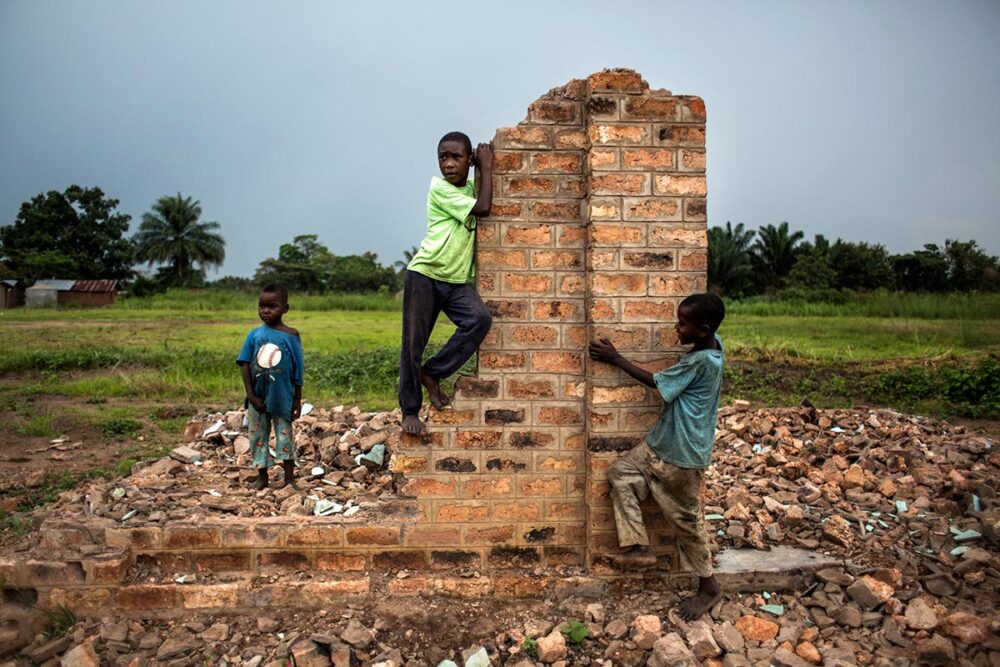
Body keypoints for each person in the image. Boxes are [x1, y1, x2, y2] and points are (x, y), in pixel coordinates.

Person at [588, 293, 726, 620]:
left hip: (682, 455)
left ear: (703, 330)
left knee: (686, 521)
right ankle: (638, 545)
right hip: (659, 445)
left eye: (683, 324)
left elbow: (656, 383)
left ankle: (709, 587)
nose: (676, 328)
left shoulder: (700, 362)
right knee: (620, 474)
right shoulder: (713, 345)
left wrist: (615, 357)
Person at [399, 131, 494, 435]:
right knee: (413, 344)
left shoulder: (469, 186)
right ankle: (410, 410)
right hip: (425, 274)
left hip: (455, 282)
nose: (449, 163)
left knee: (479, 319)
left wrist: (481, 169)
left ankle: (433, 372)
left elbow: (478, 193)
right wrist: (487, 168)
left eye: (456, 157)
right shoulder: (439, 189)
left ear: (468, 160)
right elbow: (482, 209)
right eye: (443, 157)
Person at [236, 284, 304, 490]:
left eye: (271, 306)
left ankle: (289, 479)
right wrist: (251, 395)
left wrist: (297, 399)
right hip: (257, 397)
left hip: (282, 397)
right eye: (261, 306)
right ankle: (262, 477)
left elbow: (297, 368)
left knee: (285, 436)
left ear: (285, 308)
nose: (265, 311)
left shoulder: (292, 335)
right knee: (257, 436)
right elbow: (245, 364)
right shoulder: (254, 335)